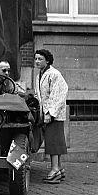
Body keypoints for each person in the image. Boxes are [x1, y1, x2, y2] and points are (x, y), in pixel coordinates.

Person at [34, 49, 68, 184]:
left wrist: (50, 114)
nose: (37, 61)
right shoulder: (40, 75)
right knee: (53, 140)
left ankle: (54, 169)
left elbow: (59, 94)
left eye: (40, 59)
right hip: (46, 113)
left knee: (53, 141)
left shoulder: (54, 74)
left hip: (54, 114)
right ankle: (59, 168)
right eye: (36, 59)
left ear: (47, 60)